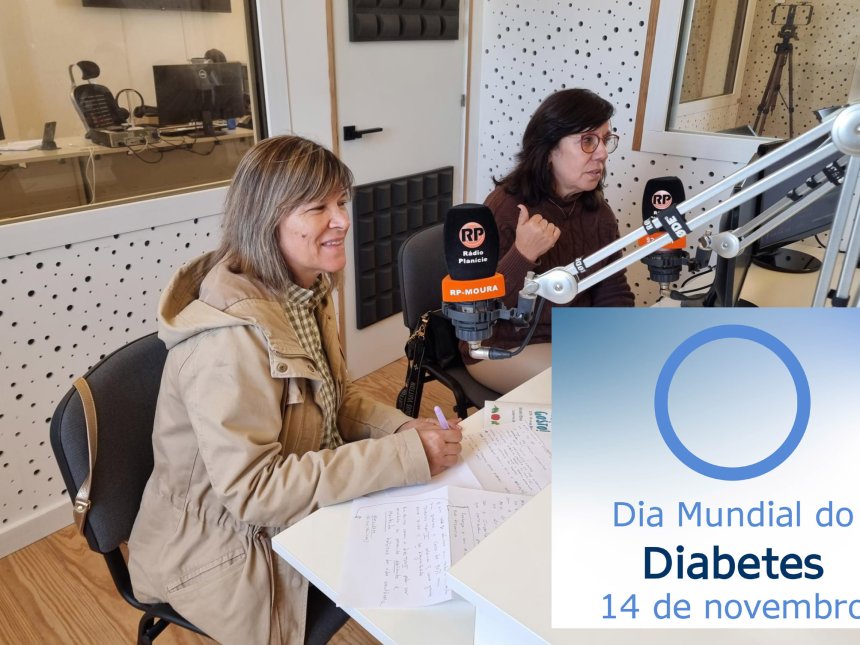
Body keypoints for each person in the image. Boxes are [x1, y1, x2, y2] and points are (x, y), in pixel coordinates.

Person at [127, 135, 463, 644]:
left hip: (291, 505)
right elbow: (255, 492)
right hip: (226, 550)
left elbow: (333, 398)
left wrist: (402, 431)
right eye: (318, 208)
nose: (342, 220)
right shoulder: (227, 343)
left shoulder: (304, 290)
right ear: (268, 220)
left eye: (341, 202)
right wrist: (403, 457)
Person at [465, 88, 635, 394]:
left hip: (572, 339)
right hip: (505, 344)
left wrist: (622, 340)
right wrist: (522, 255)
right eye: (588, 141)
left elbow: (613, 290)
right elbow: (476, 309)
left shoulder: (598, 214)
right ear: (549, 149)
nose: (602, 153)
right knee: (596, 388)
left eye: (605, 139)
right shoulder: (505, 207)